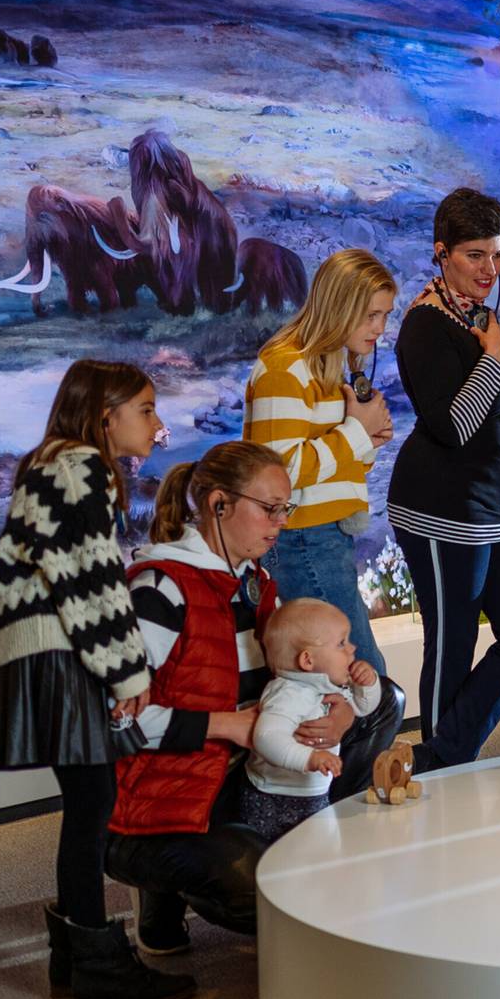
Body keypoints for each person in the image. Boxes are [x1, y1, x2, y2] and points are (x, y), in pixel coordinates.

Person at [107, 442, 405, 957]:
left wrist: (336, 712)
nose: (280, 522)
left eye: (284, 509)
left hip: (242, 776)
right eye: (269, 508)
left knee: (384, 699)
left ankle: (306, 827)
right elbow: (113, 723)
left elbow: (300, 678)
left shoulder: (258, 585)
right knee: (264, 881)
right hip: (160, 797)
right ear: (219, 504)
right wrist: (228, 726)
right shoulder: (159, 588)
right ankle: (164, 884)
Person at [0, 360, 194, 999]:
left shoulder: (53, 462)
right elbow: (90, 583)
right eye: (146, 408)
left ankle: (74, 960)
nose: (157, 425)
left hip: (41, 653)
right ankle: (95, 964)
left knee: (87, 805)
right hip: (57, 653)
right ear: (106, 413)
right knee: (92, 806)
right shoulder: (81, 467)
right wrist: (131, 672)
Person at [388, 188, 500, 770]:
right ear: (442, 253)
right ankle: (439, 780)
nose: (491, 269)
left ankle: (440, 757)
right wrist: (492, 357)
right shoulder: (424, 325)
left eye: (498, 255)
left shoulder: (482, 317)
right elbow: (455, 425)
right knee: (452, 647)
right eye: (475, 256)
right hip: (438, 510)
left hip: (491, 510)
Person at [245, 248, 396, 675]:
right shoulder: (286, 368)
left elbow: (326, 468)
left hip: (322, 536)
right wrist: (356, 433)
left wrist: (366, 441)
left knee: (349, 676)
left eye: (384, 316)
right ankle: (372, 745)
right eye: (371, 315)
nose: (379, 329)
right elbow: (278, 475)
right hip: (302, 539)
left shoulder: (323, 368)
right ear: (339, 305)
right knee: (361, 675)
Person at [239, 598, 384, 842]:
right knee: (281, 856)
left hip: (312, 792)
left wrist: (367, 685)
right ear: (307, 660)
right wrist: (311, 758)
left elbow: (362, 707)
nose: (352, 648)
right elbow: (265, 737)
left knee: (321, 851)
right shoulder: (288, 694)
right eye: (341, 643)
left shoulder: (325, 682)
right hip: (274, 798)